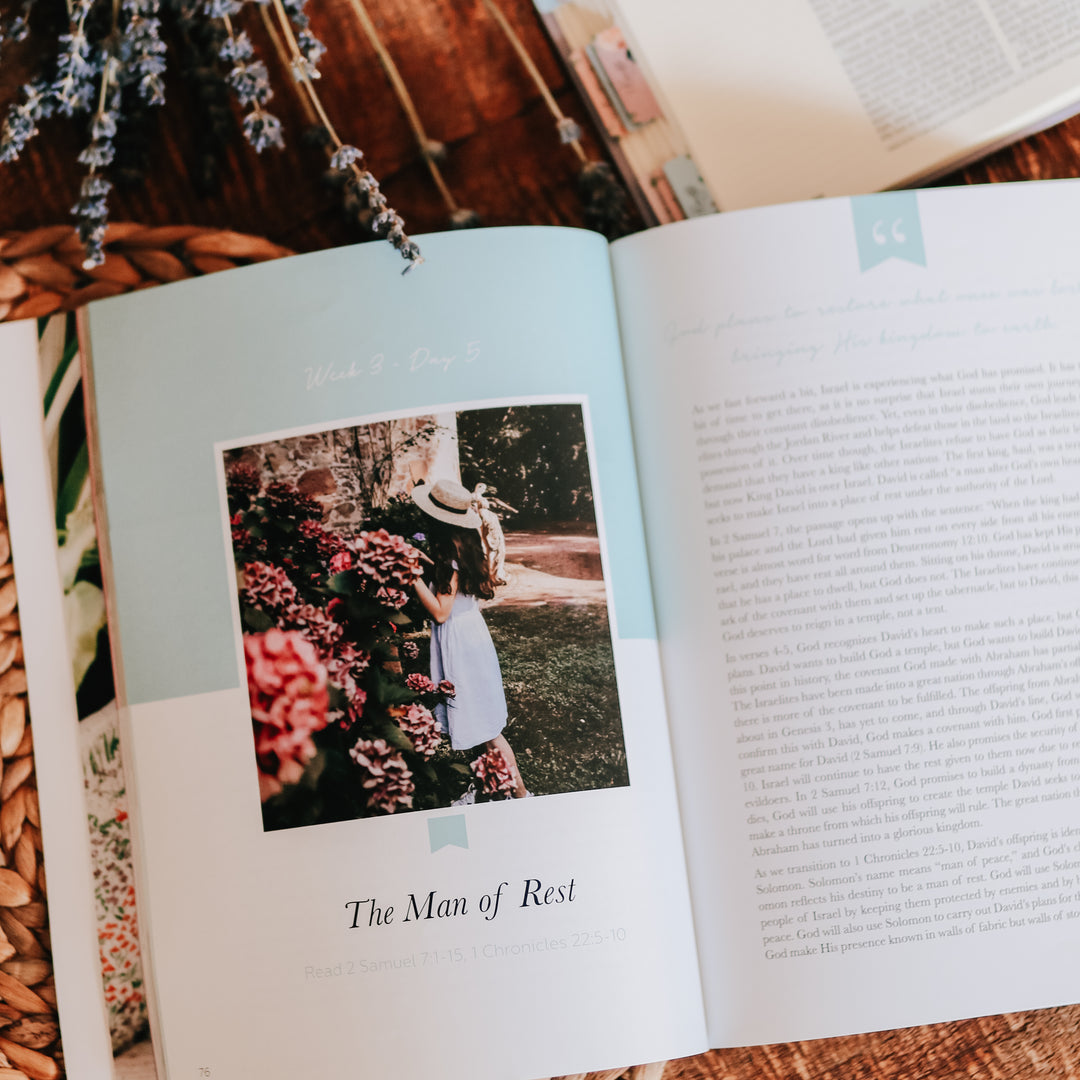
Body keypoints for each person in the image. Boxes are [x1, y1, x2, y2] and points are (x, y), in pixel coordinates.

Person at [410, 478, 528, 799]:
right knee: (479, 723)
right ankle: (489, 786)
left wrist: (412, 577)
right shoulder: (464, 548)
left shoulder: (449, 557)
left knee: (488, 731)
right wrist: (428, 564)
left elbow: (439, 612)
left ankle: (522, 796)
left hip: (460, 645)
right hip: (472, 637)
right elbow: (454, 583)